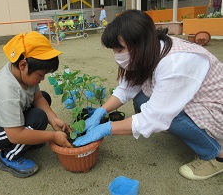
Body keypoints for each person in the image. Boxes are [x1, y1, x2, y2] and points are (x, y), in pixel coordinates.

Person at [73, 10, 223, 180]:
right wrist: (101, 111)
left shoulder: (174, 63)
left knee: (168, 116)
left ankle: (216, 155)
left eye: (120, 48)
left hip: (214, 105)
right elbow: (127, 88)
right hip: (190, 95)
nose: (117, 55)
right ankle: (183, 130)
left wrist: (104, 129)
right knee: (142, 96)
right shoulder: (151, 49)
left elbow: (156, 116)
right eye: (114, 50)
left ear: (140, 43)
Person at [0, 31, 72, 178]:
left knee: (45, 98)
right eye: (40, 75)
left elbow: (38, 98)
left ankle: (31, 139)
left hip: (4, 121)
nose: (42, 79)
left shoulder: (21, 72)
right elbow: (16, 135)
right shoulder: (5, 91)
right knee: (38, 117)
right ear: (23, 65)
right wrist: (52, 136)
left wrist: (54, 120)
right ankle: (8, 157)